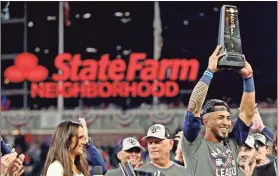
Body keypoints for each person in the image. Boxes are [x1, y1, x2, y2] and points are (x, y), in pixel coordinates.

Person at [181, 45, 255, 176]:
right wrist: (210, 71)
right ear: (206, 121)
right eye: (220, 117)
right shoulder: (194, 145)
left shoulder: (233, 143)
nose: (226, 122)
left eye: (228, 118)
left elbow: (247, 114)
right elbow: (193, 108)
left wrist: (248, 77)